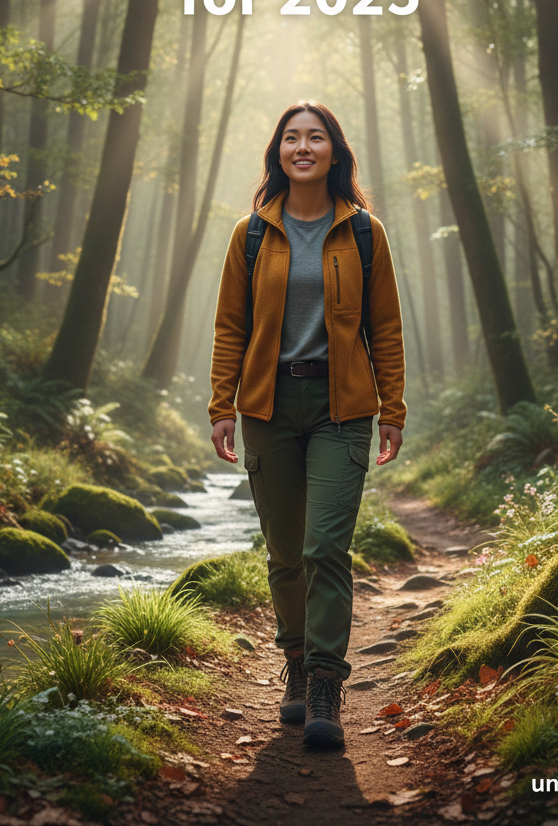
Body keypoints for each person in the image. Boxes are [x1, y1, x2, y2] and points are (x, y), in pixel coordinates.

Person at [208, 101, 406, 749]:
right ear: (278, 153)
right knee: (286, 554)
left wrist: (393, 411)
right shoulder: (251, 235)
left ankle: (324, 682)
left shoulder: (365, 233)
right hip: (267, 407)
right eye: (291, 137)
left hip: (341, 407)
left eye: (315, 137)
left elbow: (386, 329)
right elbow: (230, 328)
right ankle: (294, 662)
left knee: (325, 548)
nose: (303, 147)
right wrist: (221, 407)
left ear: (334, 152)